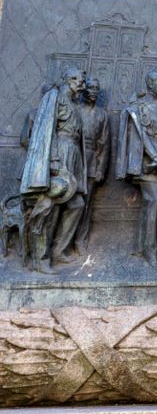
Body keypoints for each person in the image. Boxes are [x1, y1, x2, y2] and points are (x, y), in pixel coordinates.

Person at [20, 67, 89, 272]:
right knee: (50, 207)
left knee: (76, 204)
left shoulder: (74, 105)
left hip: (73, 154)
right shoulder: (55, 98)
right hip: (59, 154)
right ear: (68, 80)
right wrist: (53, 162)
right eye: (79, 81)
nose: (82, 85)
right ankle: (40, 259)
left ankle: (59, 250)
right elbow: (46, 130)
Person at [115, 70, 157, 267]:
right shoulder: (140, 107)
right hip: (148, 163)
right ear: (149, 84)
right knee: (153, 200)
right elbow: (140, 135)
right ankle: (149, 252)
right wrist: (155, 156)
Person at [76, 76, 110, 248]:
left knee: (86, 203)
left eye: (96, 88)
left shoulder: (102, 114)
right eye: (90, 88)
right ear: (83, 90)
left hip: (91, 161)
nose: (94, 92)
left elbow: (104, 144)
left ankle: (80, 240)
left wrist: (100, 169)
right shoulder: (76, 110)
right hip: (74, 158)